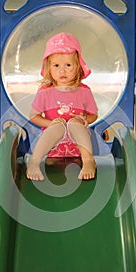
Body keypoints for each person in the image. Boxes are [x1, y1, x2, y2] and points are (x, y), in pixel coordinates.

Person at [26, 32, 98, 181]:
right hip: (54, 143)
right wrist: (51, 123)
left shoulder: (84, 91)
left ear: (78, 66)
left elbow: (93, 115)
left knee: (74, 123)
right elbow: (33, 116)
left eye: (68, 65)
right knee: (58, 124)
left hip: (78, 143)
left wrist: (85, 119)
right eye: (56, 65)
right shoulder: (45, 91)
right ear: (49, 67)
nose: (62, 70)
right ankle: (34, 161)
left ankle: (88, 160)